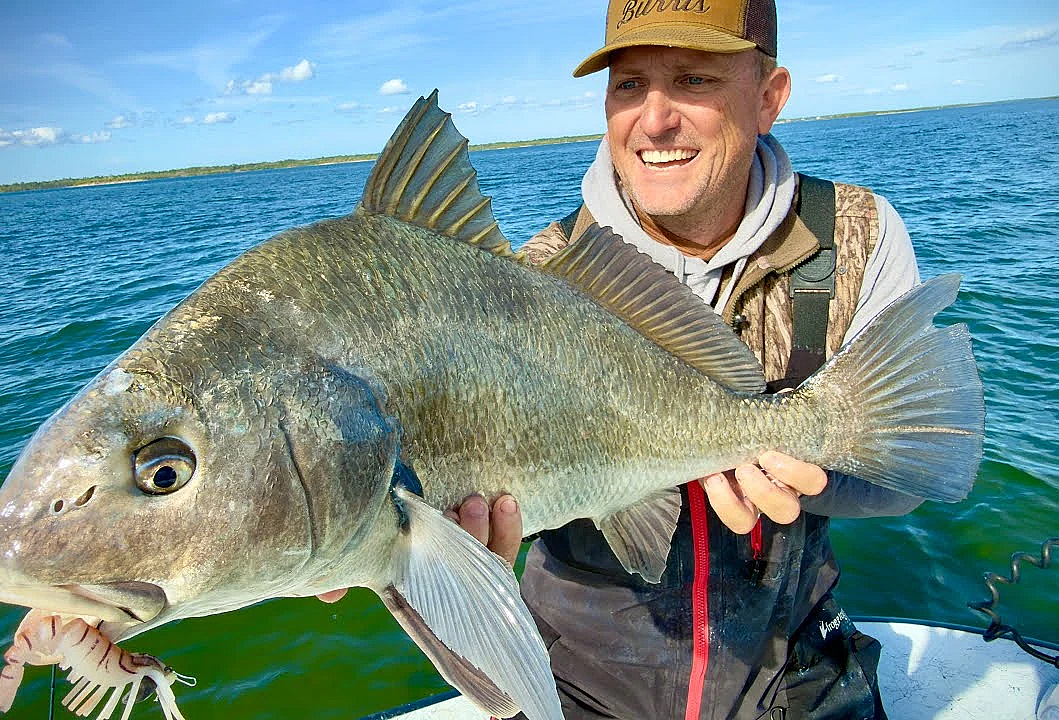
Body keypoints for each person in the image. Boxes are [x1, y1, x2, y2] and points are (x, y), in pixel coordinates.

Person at [327, 1, 925, 716]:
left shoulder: (852, 235)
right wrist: (430, 554)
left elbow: (915, 467)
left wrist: (797, 466)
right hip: (583, 680)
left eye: (694, 80)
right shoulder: (538, 277)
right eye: (628, 85)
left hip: (791, 667)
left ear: (769, 97)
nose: (655, 118)